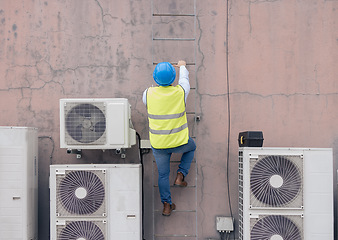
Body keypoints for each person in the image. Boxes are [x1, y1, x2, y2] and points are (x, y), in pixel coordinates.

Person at [143, 60, 196, 216]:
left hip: (159, 145)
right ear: (173, 78)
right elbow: (184, 80)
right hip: (180, 142)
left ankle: (166, 205)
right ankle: (180, 175)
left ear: (155, 78)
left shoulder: (147, 94)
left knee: (163, 175)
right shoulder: (181, 92)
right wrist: (183, 66)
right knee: (192, 147)